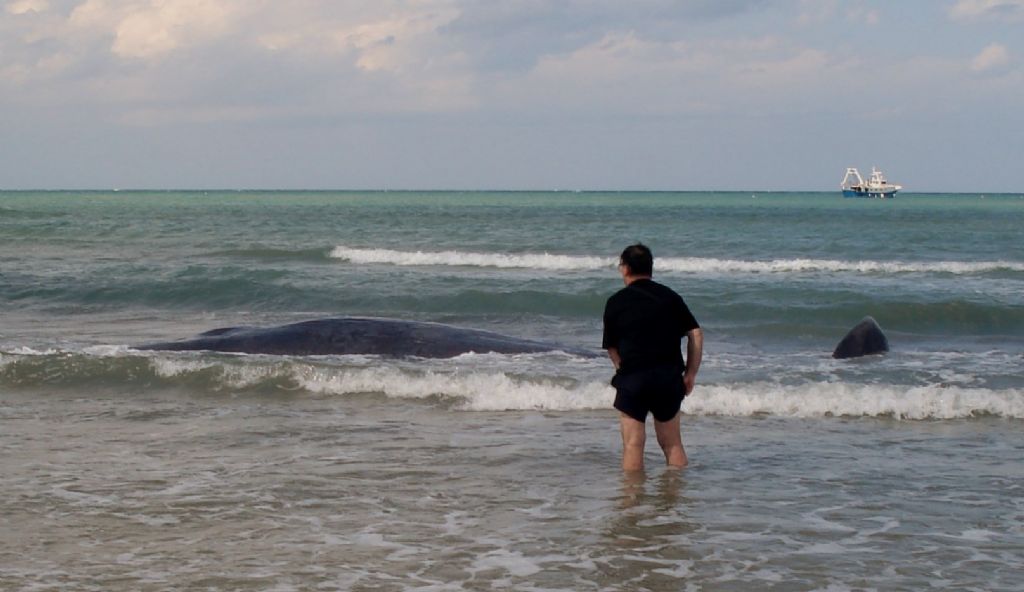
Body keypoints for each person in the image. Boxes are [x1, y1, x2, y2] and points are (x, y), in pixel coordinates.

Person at [602, 244, 703, 471]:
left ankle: (632, 502)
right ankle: (675, 500)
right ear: (650, 268)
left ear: (625, 268)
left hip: (633, 377)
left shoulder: (616, 301)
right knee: (673, 445)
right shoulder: (670, 297)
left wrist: (622, 370)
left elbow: (612, 348)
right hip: (667, 377)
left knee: (633, 445)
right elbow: (695, 333)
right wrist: (690, 373)